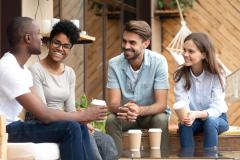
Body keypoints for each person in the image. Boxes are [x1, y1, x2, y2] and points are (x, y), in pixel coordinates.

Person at [0, 17, 107, 160]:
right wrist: (82, 115)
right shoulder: (8, 68)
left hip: (14, 125)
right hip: (5, 129)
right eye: (38, 33)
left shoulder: (23, 70)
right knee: (71, 127)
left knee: (79, 127)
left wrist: (79, 118)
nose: (41, 38)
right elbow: (43, 114)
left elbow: (41, 106)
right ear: (27, 38)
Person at [27, 20, 117, 160]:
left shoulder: (69, 73)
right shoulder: (36, 70)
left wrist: (82, 120)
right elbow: (43, 111)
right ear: (50, 42)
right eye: (57, 43)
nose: (60, 48)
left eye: (66, 46)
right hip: (44, 124)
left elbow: (70, 109)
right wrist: (79, 118)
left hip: (68, 121)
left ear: (71, 48)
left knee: (106, 142)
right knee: (90, 143)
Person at [105, 20, 170, 157]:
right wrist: (127, 110)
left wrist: (139, 110)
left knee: (161, 119)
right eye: (124, 41)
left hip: (150, 115)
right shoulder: (114, 64)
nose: (126, 46)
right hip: (126, 116)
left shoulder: (159, 62)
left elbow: (161, 104)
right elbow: (113, 104)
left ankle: (161, 158)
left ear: (146, 44)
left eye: (132, 43)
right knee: (111, 120)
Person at [173, 32, 229, 156]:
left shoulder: (217, 74)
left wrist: (196, 114)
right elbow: (181, 102)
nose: (185, 54)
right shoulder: (180, 74)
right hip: (192, 120)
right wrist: (186, 117)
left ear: (203, 54)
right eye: (184, 50)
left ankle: (210, 157)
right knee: (185, 125)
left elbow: (217, 108)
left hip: (218, 118)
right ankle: (186, 157)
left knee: (210, 121)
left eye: (191, 51)